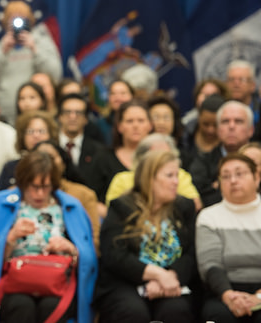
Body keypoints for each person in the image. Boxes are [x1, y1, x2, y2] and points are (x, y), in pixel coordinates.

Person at [0, 150, 97, 323]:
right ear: (23, 183)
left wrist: (70, 249)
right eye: (34, 186)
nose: (39, 193)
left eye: (45, 187)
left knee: (52, 306)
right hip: (13, 283)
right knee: (21, 305)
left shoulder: (71, 207)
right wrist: (10, 238)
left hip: (58, 283)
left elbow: (88, 261)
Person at [95, 149, 197, 322]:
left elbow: (192, 253)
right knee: (132, 312)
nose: (176, 182)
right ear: (149, 179)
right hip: (126, 283)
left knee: (176, 311)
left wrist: (170, 276)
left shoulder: (184, 207)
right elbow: (114, 256)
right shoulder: (121, 206)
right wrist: (158, 275)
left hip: (172, 282)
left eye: (177, 176)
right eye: (169, 176)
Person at [196, 153, 261, 322]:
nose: (233, 180)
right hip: (224, 290)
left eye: (240, 174)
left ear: (257, 177)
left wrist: (259, 298)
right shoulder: (209, 216)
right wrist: (228, 295)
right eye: (226, 176)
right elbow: (210, 265)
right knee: (218, 315)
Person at [0, 0, 62, 122]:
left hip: (36, 113)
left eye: (22, 20)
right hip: (5, 114)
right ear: (6, 23)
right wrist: (3, 52)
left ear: (29, 21)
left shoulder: (41, 43)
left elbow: (55, 74)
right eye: (12, 20)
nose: (17, 25)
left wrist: (35, 50)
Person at [33, 140, 101, 253]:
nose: (45, 164)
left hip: (67, 261)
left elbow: (94, 242)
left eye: (51, 157)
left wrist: (73, 250)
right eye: (39, 159)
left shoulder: (83, 195)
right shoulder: (11, 197)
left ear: (63, 163)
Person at [105, 133, 202, 211]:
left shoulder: (179, 176)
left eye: (166, 157)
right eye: (155, 157)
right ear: (141, 158)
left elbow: (195, 204)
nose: (160, 161)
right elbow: (113, 209)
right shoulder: (122, 179)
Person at [88, 100, 153, 215]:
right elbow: (91, 198)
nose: (135, 125)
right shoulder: (103, 157)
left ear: (150, 125)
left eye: (141, 121)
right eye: (129, 121)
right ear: (119, 126)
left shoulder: (159, 156)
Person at [189, 100, 254, 207]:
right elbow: (202, 199)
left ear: (251, 130)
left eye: (238, 121)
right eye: (225, 121)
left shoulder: (258, 158)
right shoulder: (202, 162)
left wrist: (219, 187)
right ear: (218, 129)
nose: (231, 126)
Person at [0, 110, 59, 191]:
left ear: (51, 135)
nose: (36, 135)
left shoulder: (57, 164)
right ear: (22, 136)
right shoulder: (10, 168)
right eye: (30, 131)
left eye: (41, 131)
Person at [57, 93, 104, 181]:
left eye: (78, 113)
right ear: (60, 116)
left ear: (86, 119)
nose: (73, 117)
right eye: (67, 112)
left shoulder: (99, 151)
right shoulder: (50, 147)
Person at [93, 80, 134, 145]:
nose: (118, 98)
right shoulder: (100, 124)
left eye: (123, 93)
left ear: (132, 96)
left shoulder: (141, 121)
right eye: (113, 93)